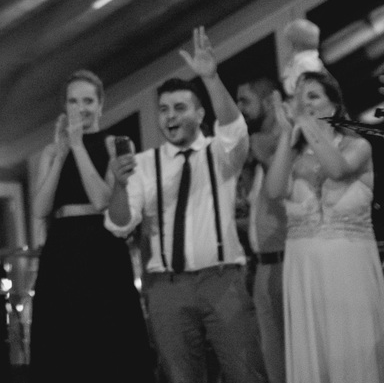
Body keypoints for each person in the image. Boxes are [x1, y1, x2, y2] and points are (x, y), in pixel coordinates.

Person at [107, 27, 267, 383]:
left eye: (180, 108)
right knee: (181, 378)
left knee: (245, 372)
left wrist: (210, 78)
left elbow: (235, 129)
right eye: (163, 109)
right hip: (167, 288)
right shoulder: (145, 163)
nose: (170, 116)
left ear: (198, 113)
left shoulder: (219, 154)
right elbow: (120, 224)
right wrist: (119, 184)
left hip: (222, 280)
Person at [28, 70, 153, 383]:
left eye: (87, 101)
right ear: (65, 107)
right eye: (73, 101)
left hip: (103, 248)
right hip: (61, 251)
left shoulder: (114, 144)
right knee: (65, 343)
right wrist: (60, 154)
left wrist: (80, 147)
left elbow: (102, 200)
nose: (80, 108)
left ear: (100, 105)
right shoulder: (51, 150)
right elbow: (40, 208)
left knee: (110, 340)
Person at [264, 70, 384, 382]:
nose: (304, 105)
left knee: (356, 354)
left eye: (313, 97)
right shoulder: (291, 156)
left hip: (349, 272)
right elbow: (274, 190)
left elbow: (337, 169)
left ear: (334, 105)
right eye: (299, 100)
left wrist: (305, 121)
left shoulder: (357, 146)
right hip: (305, 273)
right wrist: (285, 136)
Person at [234, 77, 287, 383]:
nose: (239, 109)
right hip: (263, 265)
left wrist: (265, 155)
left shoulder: (283, 141)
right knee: (273, 360)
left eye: (245, 101)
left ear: (269, 102)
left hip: (286, 260)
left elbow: (283, 194)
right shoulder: (255, 145)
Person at [279, 18, 324, 98]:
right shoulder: (300, 63)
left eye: (287, 42)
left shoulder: (306, 64)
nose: (284, 47)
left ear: (295, 44)